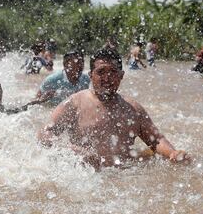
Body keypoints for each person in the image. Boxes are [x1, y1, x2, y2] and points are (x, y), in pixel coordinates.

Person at [38, 48, 190, 169]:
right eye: (101, 72)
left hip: (123, 176)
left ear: (121, 75)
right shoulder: (75, 103)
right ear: (91, 75)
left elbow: (156, 140)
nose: (107, 78)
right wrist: (72, 150)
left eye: (113, 72)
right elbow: (44, 134)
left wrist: (172, 153)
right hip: (85, 179)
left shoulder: (133, 109)